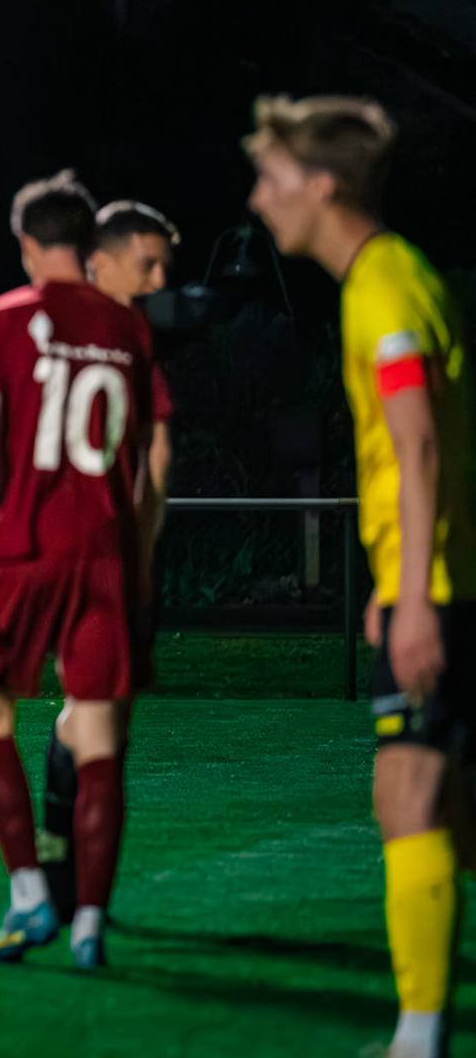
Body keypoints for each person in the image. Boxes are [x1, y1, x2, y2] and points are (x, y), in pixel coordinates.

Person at [246, 95, 475, 1058]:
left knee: (408, 795)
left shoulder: (380, 285)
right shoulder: (394, 276)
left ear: (323, 185)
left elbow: (416, 443)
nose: (257, 200)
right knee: (450, 805)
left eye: (271, 178)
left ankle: (418, 1039)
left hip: (444, 593)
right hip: (445, 581)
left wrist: (413, 592)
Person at [0, 170, 156, 969]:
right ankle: (90, 921)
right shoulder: (129, 328)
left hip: (24, 549)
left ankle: (30, 894)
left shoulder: (0, 319)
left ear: (27, 243)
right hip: (103, 553)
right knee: (98, 742)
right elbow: (140, 462)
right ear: (89, 241)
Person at [38, 199, 180, 920]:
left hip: (110, 558)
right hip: (85, 558)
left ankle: (77, 886)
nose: (159, 280)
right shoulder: (83, 334)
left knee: (109, 727)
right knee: (95, 722)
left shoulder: (124, 335)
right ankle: (63, 880)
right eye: (147, 264)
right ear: (103, 260)